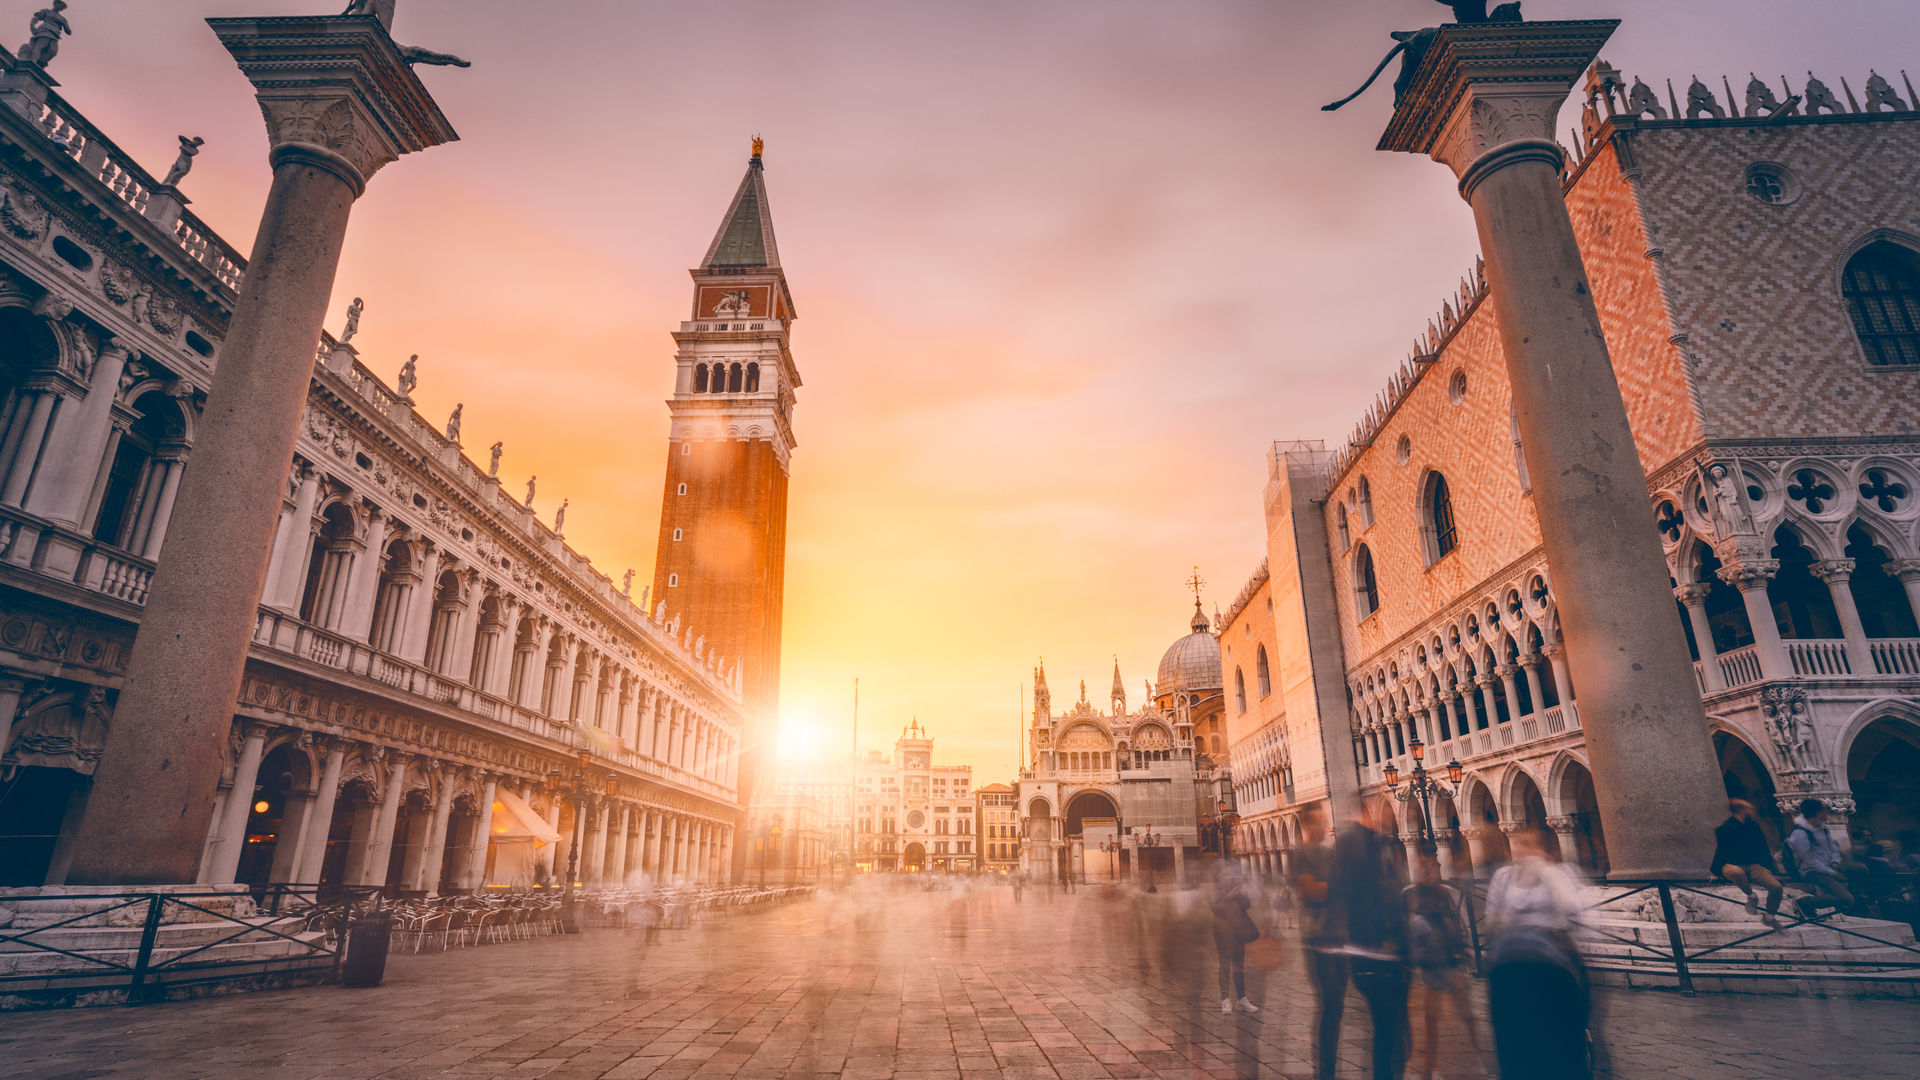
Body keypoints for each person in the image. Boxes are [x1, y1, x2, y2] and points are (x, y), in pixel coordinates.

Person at [1485, 828, 1590, 1079]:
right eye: (1520, 844)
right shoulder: (1504, 877)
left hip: (1551, 967)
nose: (1524, 850)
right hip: (1510, 967)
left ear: (1544, 849)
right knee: (1516, 1044)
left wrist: (1546, 873)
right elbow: (1491, 918)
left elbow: (1573, 909)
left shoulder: (1558, 874)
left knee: (1561, 1042)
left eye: (1531, 844)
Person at [1331, 799, 1410, 1080]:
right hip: (1377, 953)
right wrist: (1383, 937)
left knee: (1390, 1031)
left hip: (1375, 951)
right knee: (1391, 1031)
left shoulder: (1362, 844)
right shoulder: (1361, 845)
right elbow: (1363, 896)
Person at [1403, 848, 1483, 1080]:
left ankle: (1478, 1055)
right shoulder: (1411, 895)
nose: (1430, 870)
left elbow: (1458, 926)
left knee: (1467, 1014)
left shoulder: (1446, 893)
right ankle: (1428, 1068)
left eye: (1433, 866)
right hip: (1428, 966)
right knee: (1431, 1018)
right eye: (1425, 866)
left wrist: (1461, 957)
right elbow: (1407, 930)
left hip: (1451, 961)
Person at [1292, 802, 1346, 1080]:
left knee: (1337, 1007)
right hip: (1317, 941)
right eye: (1314, 822)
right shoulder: (1302, 854)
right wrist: (1345, 884)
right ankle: (1325, 1072)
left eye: (1322, 820)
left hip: (1340, 937)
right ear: (1305, 825)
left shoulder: (1330, 853)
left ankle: (1330, 1069)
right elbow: (1312, 892)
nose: (1320, 826)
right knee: (1328, 1005)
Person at [1710, 799, 1783, 929]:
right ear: (1741, 810)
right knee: (1735, 872)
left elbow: (1763, 848)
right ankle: (1751, 895)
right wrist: (1716, 872)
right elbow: (1721, 850)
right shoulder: (1725, 829)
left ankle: (1769, 917)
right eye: (1749, 808)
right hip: (1732, 864)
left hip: (1754, 865)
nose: (1753, 811)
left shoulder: (1753, 827)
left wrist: (1771, 869)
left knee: (1776, 887)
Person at [1788, 799, 1868, 918]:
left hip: (1829, 865)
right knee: (1847, 899)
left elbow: (1833, 847)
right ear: (1817, 813)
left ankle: (1856, 893)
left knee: (1860, 869)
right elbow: (1808, 860)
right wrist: (1832, 873)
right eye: (1824, 810)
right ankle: (1805, 902)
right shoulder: (1800, 833)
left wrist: (1835, 862)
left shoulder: (1822, 829)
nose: (1827, 813)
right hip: (1812, 871)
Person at [1211, 868, 1261, 1014]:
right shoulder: (1216, 891)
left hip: (1238, 929)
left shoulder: (1237, 888)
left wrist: (1243, 894)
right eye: (1224, 874)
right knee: (1225, 964)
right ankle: (1225, 1000)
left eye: (1229, 874)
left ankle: (1241, 1000)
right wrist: (1229, 896)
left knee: (1238, 965)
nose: (1227, 877)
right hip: (1222, 931)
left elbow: (1247, 905)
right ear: (1218, 877)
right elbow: (1215, 908)